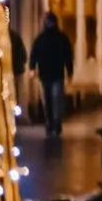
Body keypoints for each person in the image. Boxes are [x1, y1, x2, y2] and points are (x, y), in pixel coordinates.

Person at [30, 10, 74, 138]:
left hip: (51, 74)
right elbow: (35, 54)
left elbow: (67, 56)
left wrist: (70, 71)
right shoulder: (57, 38)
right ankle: (51, 122)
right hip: (50, 74)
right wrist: (32, 67)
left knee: (52, 99)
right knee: (51, 99)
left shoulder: (44, 38)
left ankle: (54, 122)